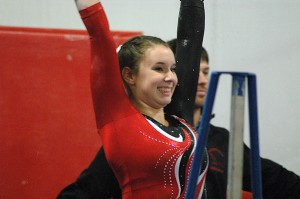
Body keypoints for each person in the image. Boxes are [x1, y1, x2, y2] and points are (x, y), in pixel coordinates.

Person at [58, 40, 300, 198]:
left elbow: (277, 181)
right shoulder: (137, 140)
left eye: (207, 72)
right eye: (197, 73)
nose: (203, 80)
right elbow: (84, 193)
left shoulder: (221, 140)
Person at [67, 0, 207, 198]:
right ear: (129, 75)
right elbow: (99, 35)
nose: (170, 77)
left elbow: (190, 40)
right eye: (159, 68)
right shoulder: (119, 120)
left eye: (172, 69)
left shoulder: (181, 119)